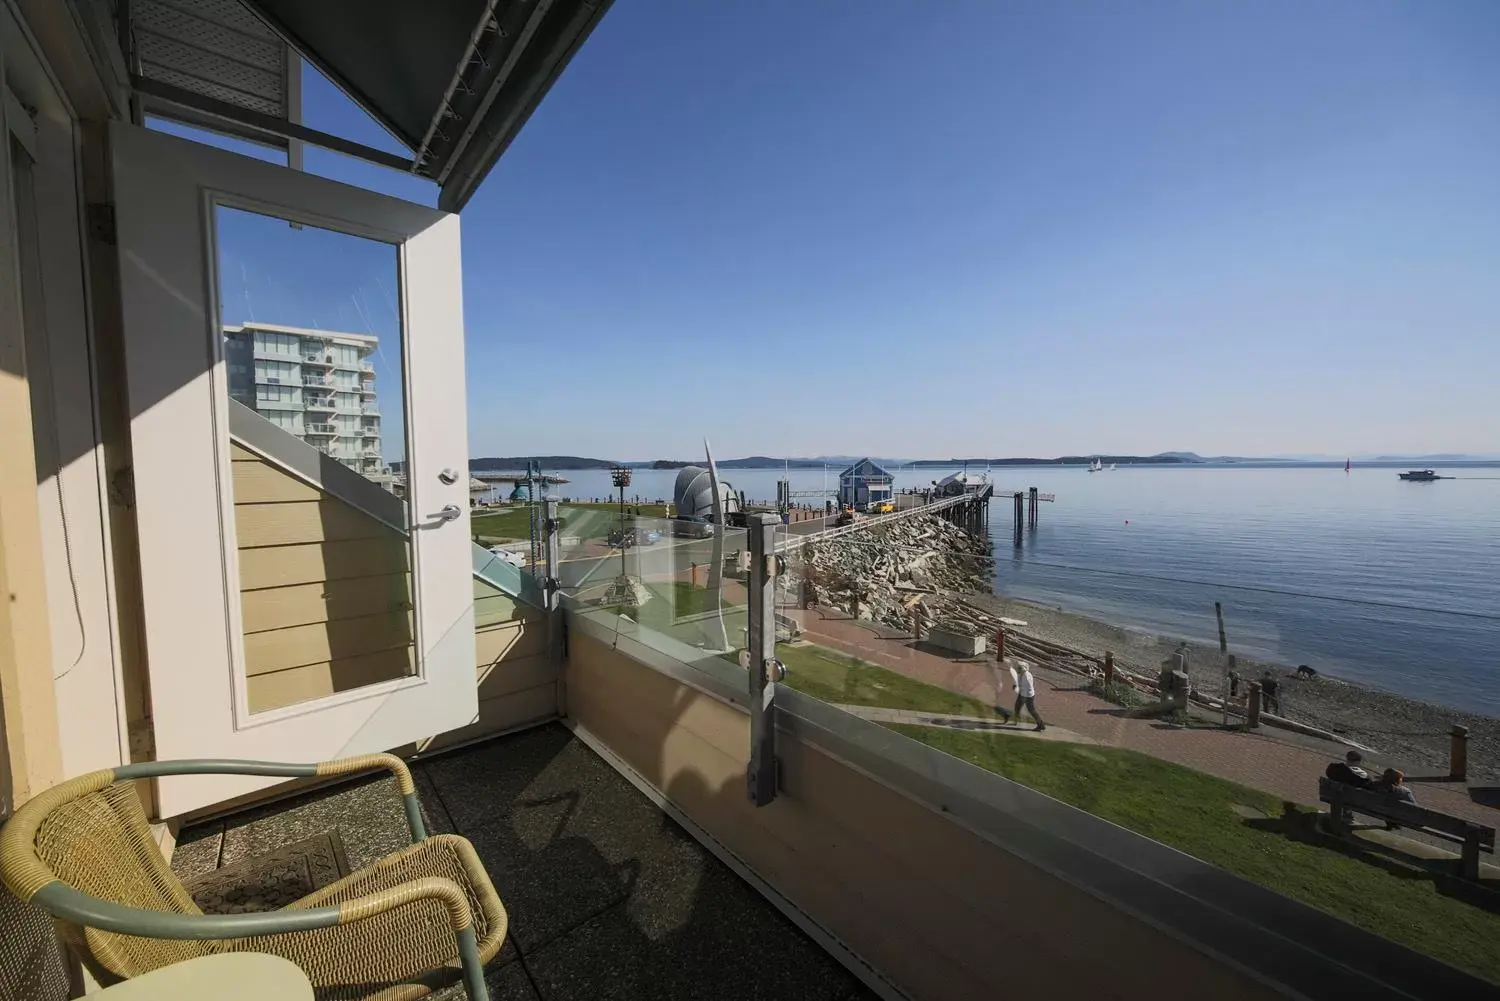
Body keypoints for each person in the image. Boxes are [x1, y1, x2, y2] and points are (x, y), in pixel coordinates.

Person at [1014, 661, 1047, 731]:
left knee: (1031, 710)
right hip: (1023, 694)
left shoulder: (1026, 676)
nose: (1018, 670)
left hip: (1027, 696)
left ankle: (1041, 725)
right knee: (1017, 706)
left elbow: (1025, 686)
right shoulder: (1021, 674)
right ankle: (1016, 719)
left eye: (1020, 669)